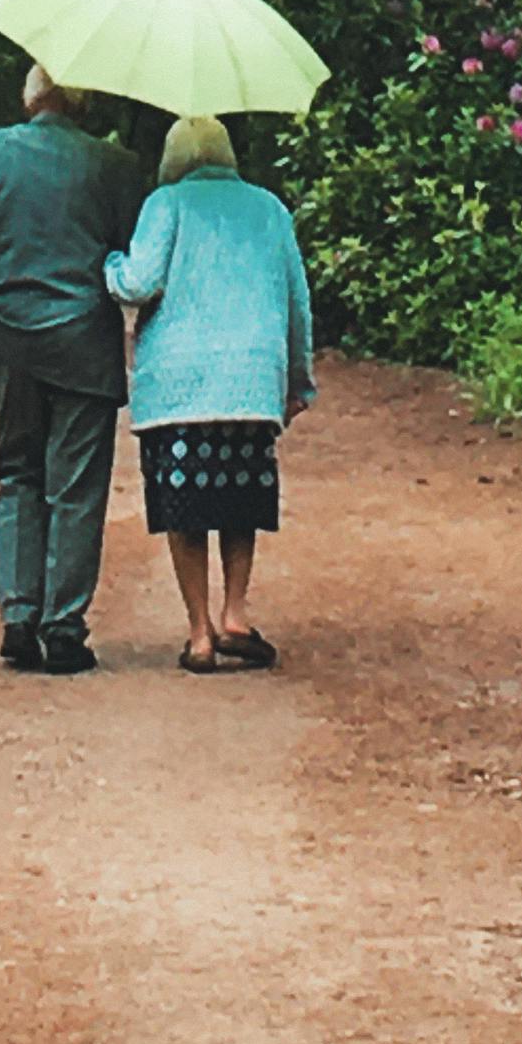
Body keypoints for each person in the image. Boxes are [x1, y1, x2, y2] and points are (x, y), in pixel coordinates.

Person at [0, 66, 141, 676]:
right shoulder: (115, 166)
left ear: (30, 95)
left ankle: (19, 613)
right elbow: (133, 260)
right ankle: (64, 627)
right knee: (75, 486)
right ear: (82, 97)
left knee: (18, 471)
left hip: (12, 338)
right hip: (84, 342)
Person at [106, 114, 316, 674]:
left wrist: (110, 264)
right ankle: (236, 613)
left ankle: (199, 633)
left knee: (185, 504)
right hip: (250, 378)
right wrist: (298, 379)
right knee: (239, 497)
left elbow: (138, 282)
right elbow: (297, 298)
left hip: (178, 385)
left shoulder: (165, 204)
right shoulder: (269, 208)